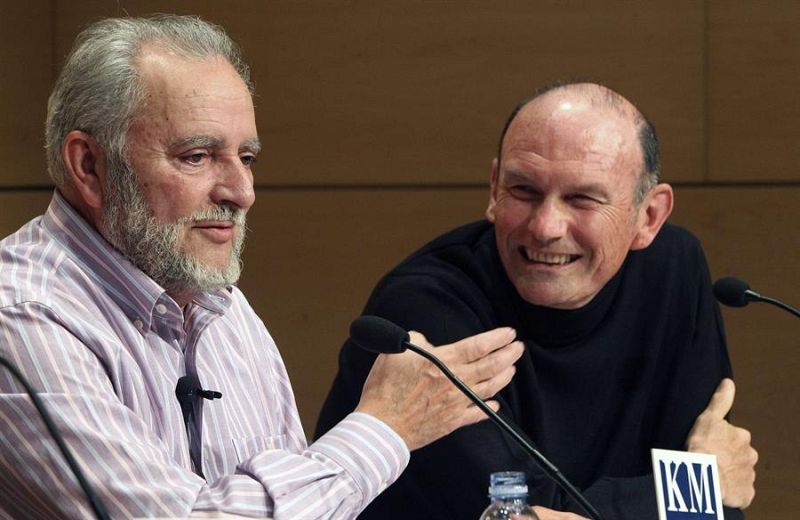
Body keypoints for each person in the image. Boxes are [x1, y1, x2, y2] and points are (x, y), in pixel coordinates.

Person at [0, 15, 525, 519]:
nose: (242, 192)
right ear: (89, 165)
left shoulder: (225, 309)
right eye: (197, 156)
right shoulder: (22, 321)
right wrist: (384, 426)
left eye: (246, 158)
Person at [316, 82, 758, 519]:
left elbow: (711, 510)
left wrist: (700, 493)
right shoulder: (421, 313)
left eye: (582, 198)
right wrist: (698, 485)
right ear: (493, 189)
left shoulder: (672, 270)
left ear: (649, 216)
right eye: (524, 191)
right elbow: (518, 515)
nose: (546, 226)